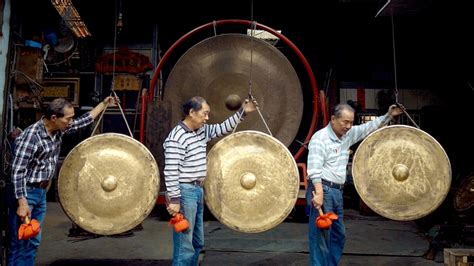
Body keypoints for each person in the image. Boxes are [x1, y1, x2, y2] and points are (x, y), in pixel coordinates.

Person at [7, 96, 118, 266]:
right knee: (21, 241)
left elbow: (84, 120)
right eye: (68, 118)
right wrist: (22, 202)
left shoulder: (58, 129)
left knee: (33, 240)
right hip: (26, 193)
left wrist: (103, 104)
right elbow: (17, 171)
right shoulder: (31, 136)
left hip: (40, 193)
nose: (71, 122)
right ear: (54, 118)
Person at [163, 96, 257, 265]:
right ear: (191, 113)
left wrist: (243, 112)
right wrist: (174, 200)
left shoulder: (202, 130)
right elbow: (170, 171)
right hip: (185, 193)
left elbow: (223, 128)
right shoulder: (176, 137)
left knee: (197, 242)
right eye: (204, 114)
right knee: (185, 246)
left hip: (197, 191)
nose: (207, 118)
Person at [306, 103, 404, 266]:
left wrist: (389, 115)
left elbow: (368, 127)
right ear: (333, 119)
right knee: (321, 238)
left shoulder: (347, 135)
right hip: (323, 189)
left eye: (351, 122)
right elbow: (314, 169)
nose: (349, 126)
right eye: (345, 122)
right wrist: (319, 193)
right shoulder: (320, 138)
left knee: (339, 235)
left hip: (337, 192)